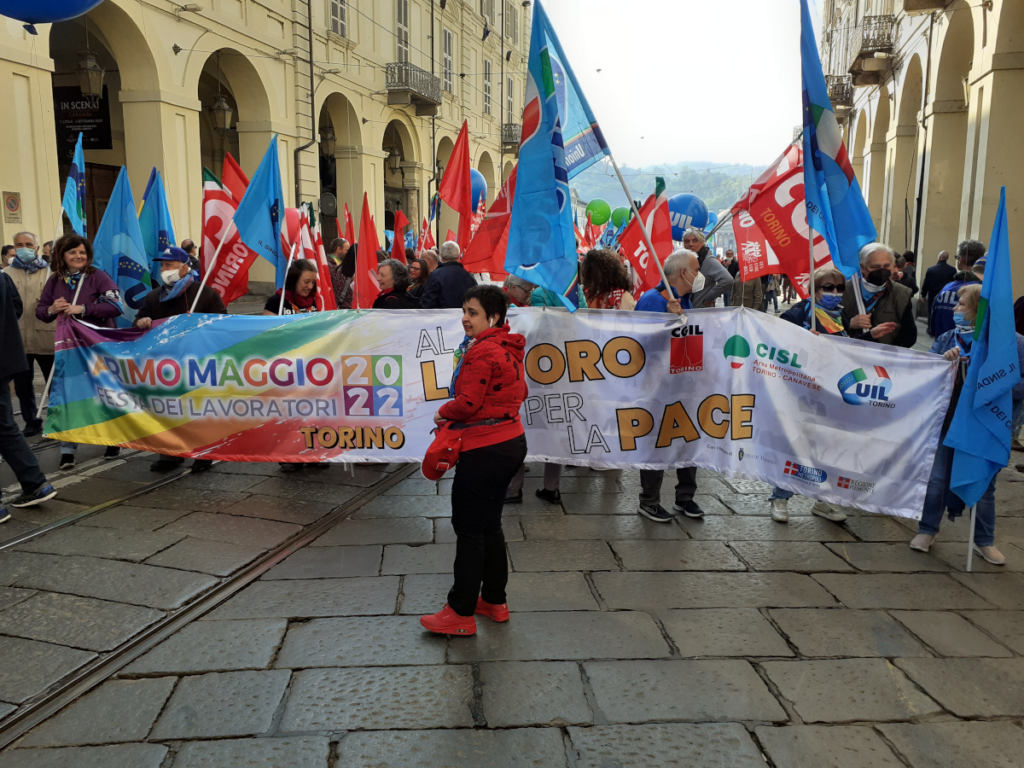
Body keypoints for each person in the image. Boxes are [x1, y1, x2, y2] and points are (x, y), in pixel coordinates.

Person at [420, 284, 528, 636]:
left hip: (485, 450)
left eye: (473, 313)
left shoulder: (482, 352)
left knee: (469, 529)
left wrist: (441, 412)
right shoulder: (506, 346)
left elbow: (467, 403)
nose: (465, 318)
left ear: (493, 317)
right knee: (488, 525)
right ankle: (493, 600)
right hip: (509, 443)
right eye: (464, 311)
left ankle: (460, 611)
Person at [910, 284, 1024, 565]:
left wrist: (984, 374)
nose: (955, 309)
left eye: (962, 305)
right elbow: (924, 376)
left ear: (979, 311)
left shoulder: (1014, 344)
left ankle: (983, 540)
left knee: (984, 485)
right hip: (948, 423)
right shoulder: (949, 338)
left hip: (987, 427)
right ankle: (927, 529)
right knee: (937, 480)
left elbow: (1019, 387)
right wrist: (942, 364)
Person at [768, 266, 850, 524]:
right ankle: (780, 497)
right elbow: (775, 341)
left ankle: (824, 500)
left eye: (839, 288)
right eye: (828, 288)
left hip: (834, 394)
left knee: (829, 447)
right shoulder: (798, 313)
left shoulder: (841, 317)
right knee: (797, 446)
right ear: (814, 291)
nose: (835, 293)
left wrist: (869, 335)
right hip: (801, 393)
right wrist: (802, 339)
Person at [135, 247, 226, 473]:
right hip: (165, 366)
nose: (164, 269)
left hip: (197, 363)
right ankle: (169, 454)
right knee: (167, 410)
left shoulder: (205, 294)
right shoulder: (153, 296)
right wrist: (142, 320)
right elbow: (139, 319)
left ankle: (203, 453)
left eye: (169, 265)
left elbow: (223, 326)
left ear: (185, 268)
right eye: (162, 265)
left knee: (197, 411)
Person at [37, 235, 124, 468]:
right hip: (70, 348)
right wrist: (52, 309)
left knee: (104, 393)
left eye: (82, 252)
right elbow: (40, 311)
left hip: (98, 346)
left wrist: (83, 308)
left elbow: (116, 306)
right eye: (72, 252)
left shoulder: (98, 276)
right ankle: (68, 448)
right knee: (69, 394)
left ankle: (112, 438)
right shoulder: (55, 279)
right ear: (62, 256)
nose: (78, 256)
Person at [633, 250, 706, 522]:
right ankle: (649, 501)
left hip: (686, 384)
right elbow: (638, 344)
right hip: (657, 387)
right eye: (696, 269)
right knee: (657, 441)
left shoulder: (686, 299)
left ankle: (685, 498)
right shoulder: (652, 300)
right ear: (682, 272)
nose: (700, 274)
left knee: (689, 439)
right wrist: (667, 322)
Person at [1, 269, 57, 520]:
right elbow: (15, 307)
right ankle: (35, 484)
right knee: (5, 427)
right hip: (3, 362)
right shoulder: (3, 277)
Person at [4, 232, 54, 438]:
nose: (24, 248)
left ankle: (57, 419)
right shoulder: (5, 273)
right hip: (18, 341)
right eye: (19, 245)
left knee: (54, 384)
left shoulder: (51, 272)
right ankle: (31, 421)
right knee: (24, 387)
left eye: (28, 244)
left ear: (36, 247)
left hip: (47, 338)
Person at [841, 242, 917, 347]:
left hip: (884, 359)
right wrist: (849, 323)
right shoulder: (842, 291)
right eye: (875, 267)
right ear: (863, 267)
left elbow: (910, 336)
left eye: (886, 266)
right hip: (850, 355)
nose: (881, 271)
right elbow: (827, 327)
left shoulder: (902, 294)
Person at [419, 241, 477, 310]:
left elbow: (428, 302)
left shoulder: (435, 275)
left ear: (441, 255)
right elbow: (476, 300)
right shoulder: (469, 276)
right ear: (458, 255)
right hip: (463, 318)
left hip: (441, 319)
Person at [682, 229, 732, 308]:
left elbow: (727, 280)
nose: (690, 244)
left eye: (695, 240)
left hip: (701, 312)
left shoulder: (708, 260)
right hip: (686, 309)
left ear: (702, 243)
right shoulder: (686, 259)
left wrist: (709, 298)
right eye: (687, 241)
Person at [930, 270, 979, 340]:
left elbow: (934, 310)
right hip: (960, 336)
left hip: (941, 336)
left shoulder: (946, 287)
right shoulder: (973, 291)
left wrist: (932, 330)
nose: (954, 308)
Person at [921, 251, 956, 334]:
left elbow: (926, 283)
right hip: (947, 295)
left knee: (932, 312)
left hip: (933, 294)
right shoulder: (952, 270)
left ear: (939, 258)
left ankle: (931, 329)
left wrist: (923, 294)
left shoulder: (931, 269)